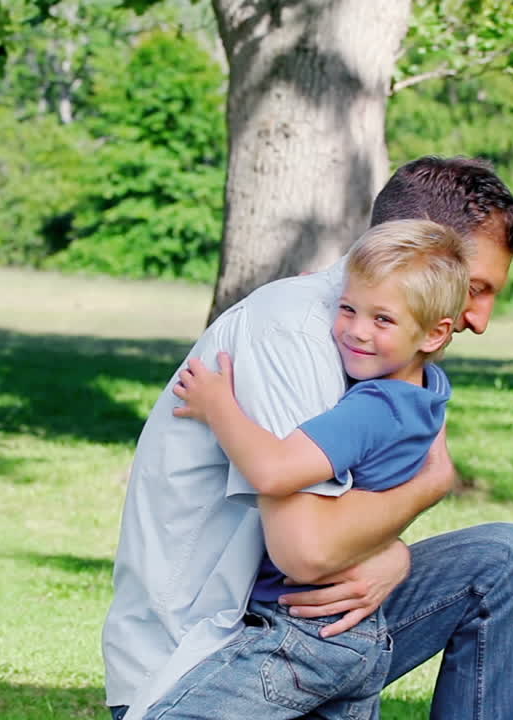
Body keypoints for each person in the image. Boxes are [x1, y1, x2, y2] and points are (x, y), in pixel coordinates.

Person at [103, 156, 513, 720]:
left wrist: (397, 558)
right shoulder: (291, 330)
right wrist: (433, 482)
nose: (479, 319)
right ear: (423, 254)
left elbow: (348, 525)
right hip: (213, 657)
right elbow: (307, 552)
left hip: (312, 633)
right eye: (476, 288)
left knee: (507, 559)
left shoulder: (388, 347)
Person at [151, 220, 469, 719]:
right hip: (356, 633)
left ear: (435, 333)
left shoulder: (374, 408)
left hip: (302, 632)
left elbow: (275, 472)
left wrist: (218, 405)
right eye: (347, 309)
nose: (357, 331)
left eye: (382, 320)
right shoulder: (427, 392)